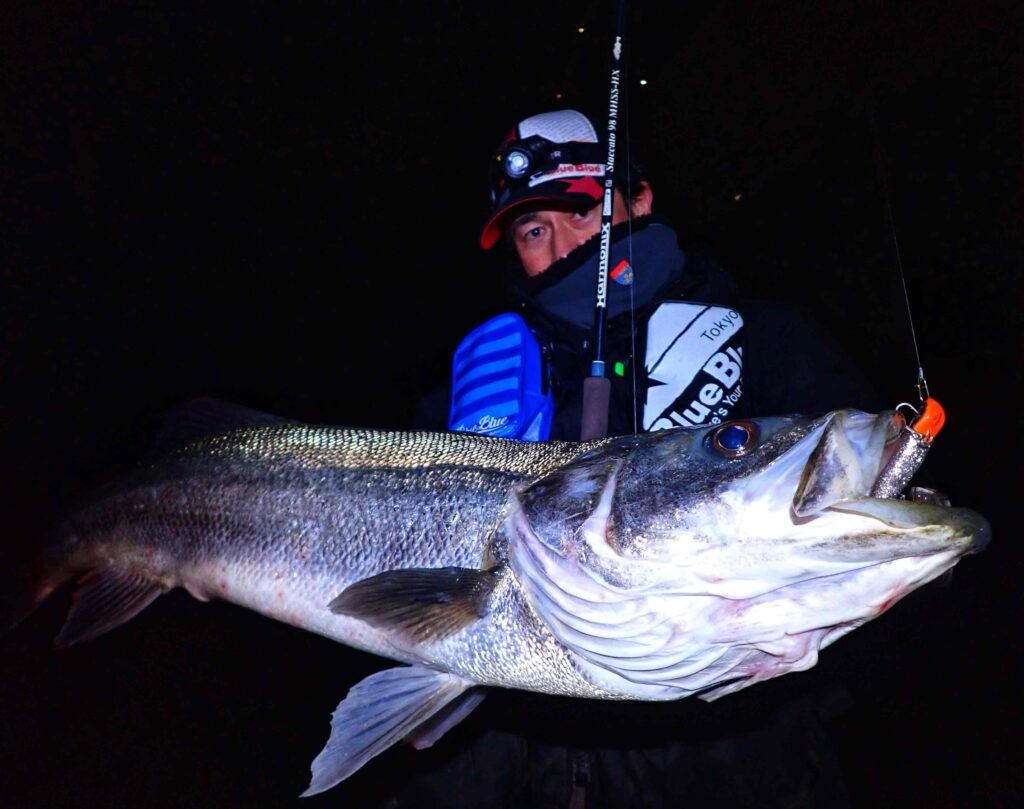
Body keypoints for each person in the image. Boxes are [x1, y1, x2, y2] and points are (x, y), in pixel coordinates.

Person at [404, 109, 879, 808]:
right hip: (503, 757)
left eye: (582, 211)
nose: (562, 246)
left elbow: (880, 513)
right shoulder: (470, 384)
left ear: (642, 199)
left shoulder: (768, 338)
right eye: (533, 231)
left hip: (725, 759)